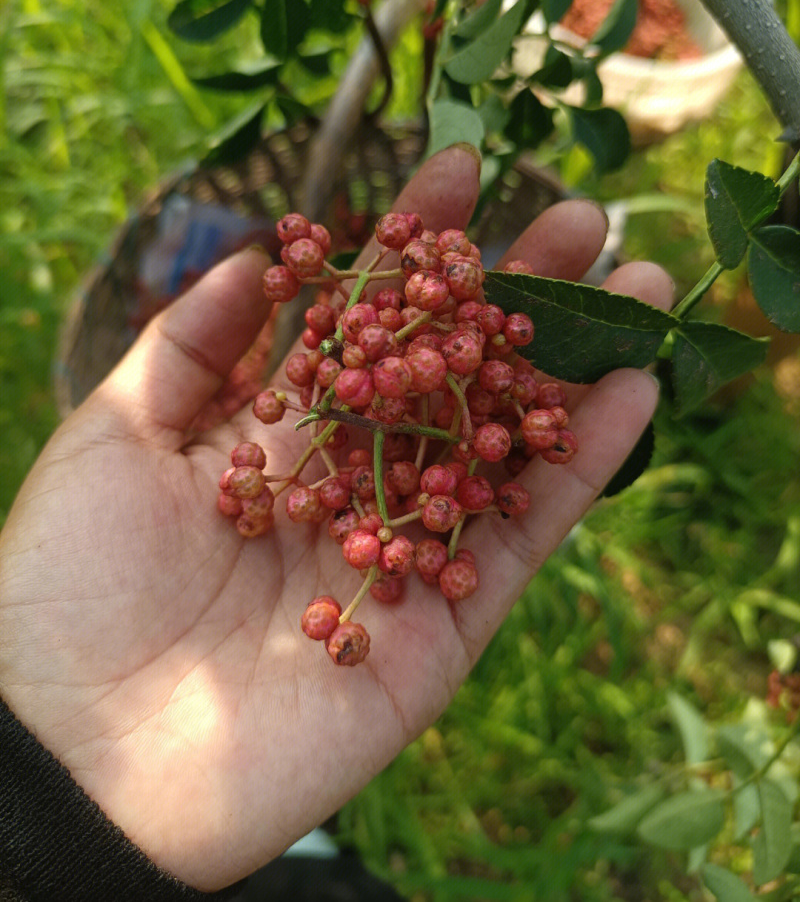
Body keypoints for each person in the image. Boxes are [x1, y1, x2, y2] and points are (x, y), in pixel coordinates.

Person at [0, 145, 673, 900]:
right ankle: (312, 860)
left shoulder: (422, 401)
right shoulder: (356, 432)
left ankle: (305, 860)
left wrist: (42, 818)